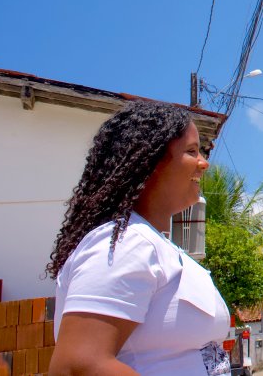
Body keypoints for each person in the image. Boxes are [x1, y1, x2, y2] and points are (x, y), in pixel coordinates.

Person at [46, 100, 231, 376]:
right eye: (192, 151)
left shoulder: (152, 243)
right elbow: (79, 365)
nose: (204, 163)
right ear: (151, 162)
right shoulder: (126, 243)